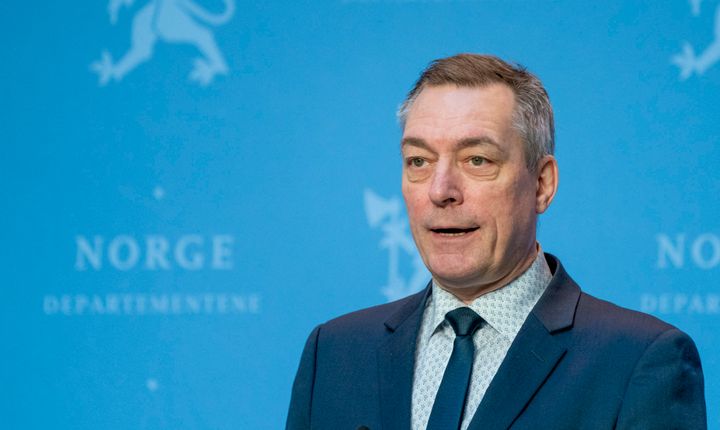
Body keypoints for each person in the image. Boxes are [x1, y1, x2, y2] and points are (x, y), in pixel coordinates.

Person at [285, 54, 707, 430]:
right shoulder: (334, 354)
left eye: (477, 160)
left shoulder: (639, 362)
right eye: (419, 161)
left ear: (542, 184)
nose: (440, 190)